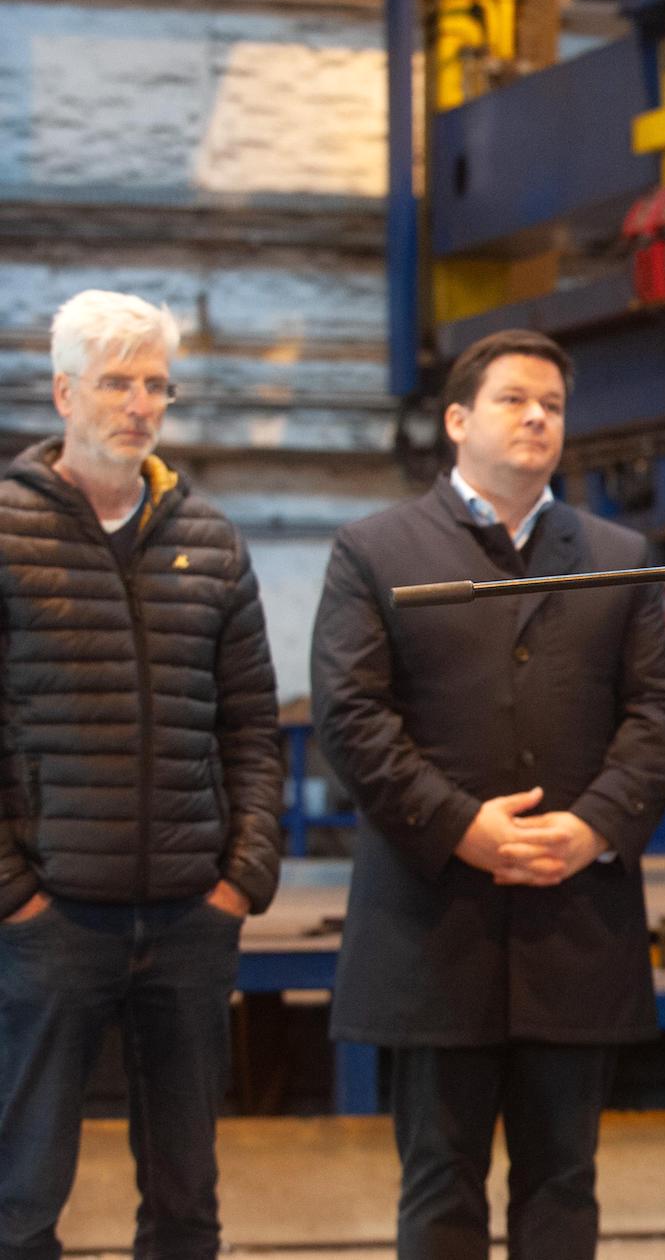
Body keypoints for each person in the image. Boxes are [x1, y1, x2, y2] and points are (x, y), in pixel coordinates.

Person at [311, 329, 665, 1260]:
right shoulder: (375, 550)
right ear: (457, 420)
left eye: (552, 406)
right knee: (439, 1186)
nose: (536, 419)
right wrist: (461, 827)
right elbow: (351, 715)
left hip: (576, 921)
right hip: (435, 927)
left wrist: (593, 825)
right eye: (515, 400)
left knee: (565, 1183)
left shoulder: (618, 554)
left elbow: (656, 712)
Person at [0, 289, 284, 1259]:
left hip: (188, 923)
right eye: (117, 382)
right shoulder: (4, 530)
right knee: (21, 1195)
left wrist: (238, 880)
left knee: (185, 1200)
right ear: (64, 391)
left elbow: (252, 726)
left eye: (155, 384)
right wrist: (13, 899)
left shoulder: (209, 541)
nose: (139, 403)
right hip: (49, 922)